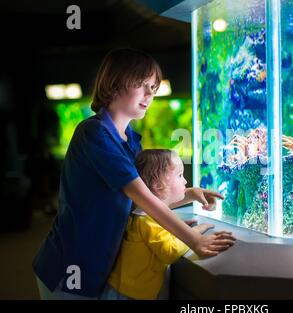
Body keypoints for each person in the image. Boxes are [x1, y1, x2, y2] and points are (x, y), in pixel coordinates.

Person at [32, 48, 235, 299]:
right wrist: (193, 239)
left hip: (100, 264)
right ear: (114, 83)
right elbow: (139, 195)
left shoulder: (131, 142)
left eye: (153, 87)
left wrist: (188, 195)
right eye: (142, 84)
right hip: (69, 266)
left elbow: (133, 204)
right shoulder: (94, 134)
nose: (150, 93)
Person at [101, 149, 214, 300]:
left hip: (124, 290)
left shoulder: (145, 215)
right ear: (158, 184)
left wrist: (174, 229)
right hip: (128, 294)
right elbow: (169, 252)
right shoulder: (147, 220)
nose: (185, 181)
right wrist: (195, 231)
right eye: (180, 175)